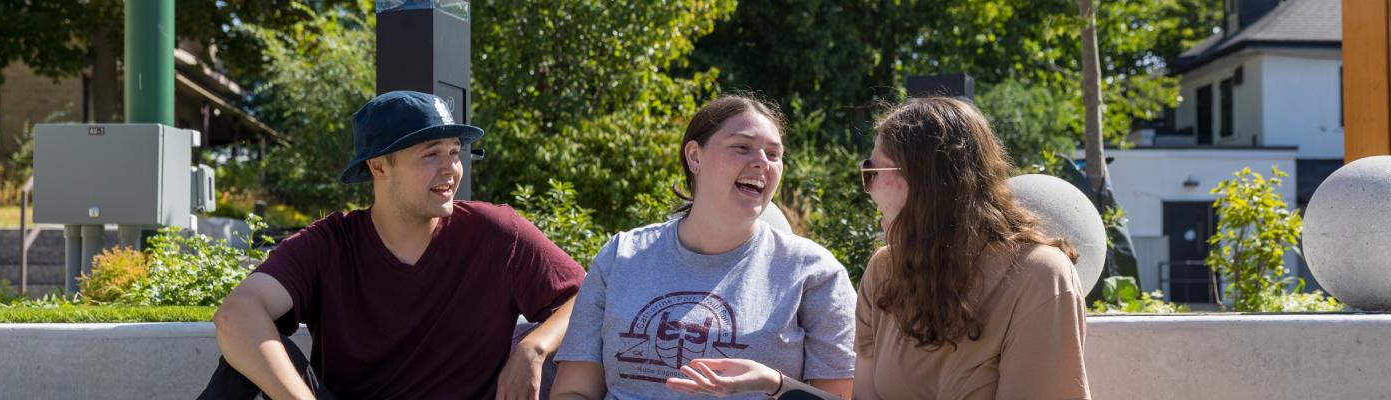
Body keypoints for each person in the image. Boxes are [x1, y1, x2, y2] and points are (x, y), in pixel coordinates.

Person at [666, 97, 1090, 399]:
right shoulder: (886, 272)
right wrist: (775, 384)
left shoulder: (1038, 276)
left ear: (924, 178)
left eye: (872, 171)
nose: (866, 189)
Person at [202, 91, 586, 399]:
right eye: (430, 153)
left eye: (454, 152)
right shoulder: (329, 244)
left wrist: (532, 347)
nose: (450, 168)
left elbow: (590, 297)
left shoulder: (497, 233)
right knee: (244, 361)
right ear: (379, 167)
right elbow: (237, 314)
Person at [548, 95, 858, 399]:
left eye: (774, 154)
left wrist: (775, 384)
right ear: (695, 157)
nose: (762, 162)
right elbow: (574, 391)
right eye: (742, 147)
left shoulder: (815, 272)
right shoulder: (621, 256)